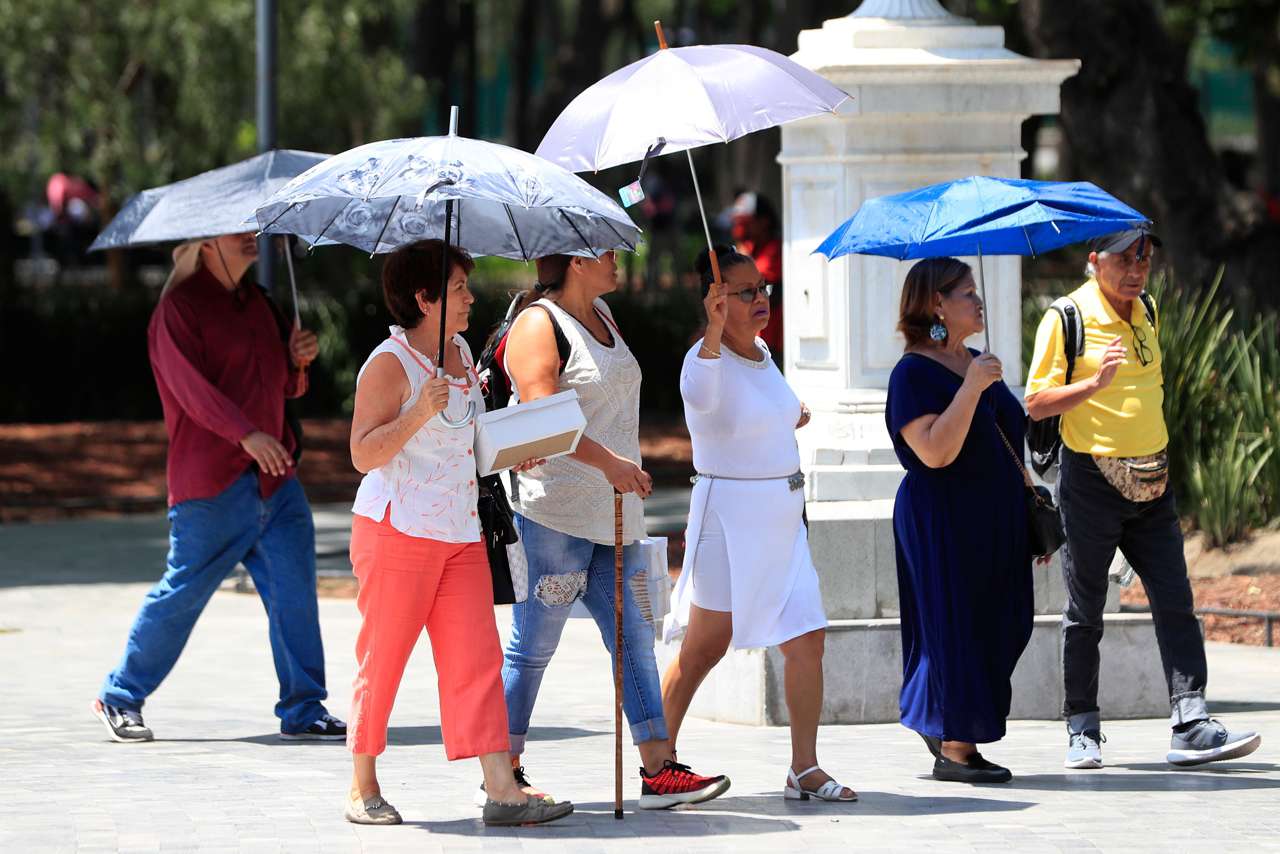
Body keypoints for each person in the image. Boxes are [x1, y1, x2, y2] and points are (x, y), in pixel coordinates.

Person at [343, 240, 572, 827]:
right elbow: (363, 454)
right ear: (424, 299)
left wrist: (511, 454)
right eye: (458, 288)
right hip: (398, 532)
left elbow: (467, 440)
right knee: (384, 657)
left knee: (477, 659)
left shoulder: (463, 352)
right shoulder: (387, 365)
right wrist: (417, 410)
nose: (471, 297)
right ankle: (362, 785)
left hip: (461, 530)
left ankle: (502, 789)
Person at [497, 250, 730, 809]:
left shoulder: (604, 313)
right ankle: (503, 769)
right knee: (535, 644)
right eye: (605, 251)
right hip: (554, 513)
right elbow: (542, 413)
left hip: (615, 512)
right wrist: (611, 465)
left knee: (633, 639)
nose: (618, 259)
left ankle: (658, 768)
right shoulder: (538, 323)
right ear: (576, 260)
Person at [93, 233, 344, 743]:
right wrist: (244, 434)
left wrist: (297, 360)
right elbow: (191, 393)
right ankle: (119, 695)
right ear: (205, 242)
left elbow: (283, 386)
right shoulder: (176, 311)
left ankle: (304, 708)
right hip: (211, 486)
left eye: (255, 231)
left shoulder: (260, 304)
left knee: (295, 595)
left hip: (277, 483)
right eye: (238, 233)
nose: (253, 240)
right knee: (181, 595)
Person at [1026, 228, 1262, 769]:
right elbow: (1037, 404)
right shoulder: (1066, 318)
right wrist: (1094, 383)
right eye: (1124, 259)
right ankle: (1082, 727)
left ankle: (1191, 721)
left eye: (1144, 259)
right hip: (1090, 481)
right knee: (1085, 609)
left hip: (1153, 481)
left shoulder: (1147, 309)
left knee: (1176, 599)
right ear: (1094, 261)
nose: (1136, 270)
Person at [660, 245, 856, 803]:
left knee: (807, 636)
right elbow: (700, 399)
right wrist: (716, 330)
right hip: (730, 523)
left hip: (783, 521)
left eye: (762, 287)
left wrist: (792, 415)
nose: (760, 298)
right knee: (703, 648)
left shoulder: (765, 352)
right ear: (716, 299)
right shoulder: (703, 359)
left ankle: (804, 767)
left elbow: (768, 411)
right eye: (745, 291)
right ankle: (659, 762)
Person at [885, 257, 1033, 784]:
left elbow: (1010, 439)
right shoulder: (913, 373)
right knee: (955, 627)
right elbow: (934, 452)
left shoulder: (976, 361)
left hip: (997, 519)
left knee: (1005, 622)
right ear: (937, 305)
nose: (978, 300)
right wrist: (971, 387)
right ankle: (954, 743)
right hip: (942, 520)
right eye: (966, 293)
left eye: (976, 291)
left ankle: (942, 720)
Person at [729, 191, 783, 362]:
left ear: (763, 222)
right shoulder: (749, 247)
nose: (741, 230)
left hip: (773, 339)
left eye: (747, 223)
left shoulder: (776, 250)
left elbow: (755, 281)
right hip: (748, 339)